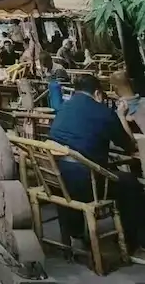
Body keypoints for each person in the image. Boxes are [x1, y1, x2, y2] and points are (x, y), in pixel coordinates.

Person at [49, 74, 145, 254]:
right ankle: (134, 242)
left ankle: (76, 231)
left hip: (57, 179)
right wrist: (120, 116)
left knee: (113, 174)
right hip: (86, 183)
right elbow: (128, 146)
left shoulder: (63, 108)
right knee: (131, 184)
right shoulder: (103, 112)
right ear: (98, 94)